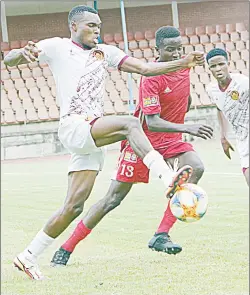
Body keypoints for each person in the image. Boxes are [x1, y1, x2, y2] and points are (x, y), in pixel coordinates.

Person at [4, 6, 205, 280]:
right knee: (130, 123)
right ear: (74, 27)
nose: (97, 30)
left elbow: (145, 68)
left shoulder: (105, 52)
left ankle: (28, 257)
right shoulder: (57, 47)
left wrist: (183, 63)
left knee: (73, 206)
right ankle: (167, 178)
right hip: (75, 125)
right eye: (90, 25)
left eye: (99, 25)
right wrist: (20, 54)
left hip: (91, 138)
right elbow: (10, 59)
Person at [50, 26, 213, 267]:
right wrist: (187, 127)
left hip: (171, 141)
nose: (177, 53)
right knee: (112, 199)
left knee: (196, 167)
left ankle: (161, 234)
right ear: (158, 50)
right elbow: (152, 122)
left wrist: (182, 113)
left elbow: (184, 99)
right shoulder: (151, 78)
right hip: (142, 143)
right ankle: (66, 247)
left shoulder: (185, 68)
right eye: (170, 50)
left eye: (180, 48)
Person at [205, 48, 249, 185]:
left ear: (227, 63)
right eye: (213, 66)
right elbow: (220, 109)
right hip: (242, 139)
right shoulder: (211, 90)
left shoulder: (243, 83)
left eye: (221, 64)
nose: (218, 69)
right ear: (209, 69)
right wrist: (223, 136)